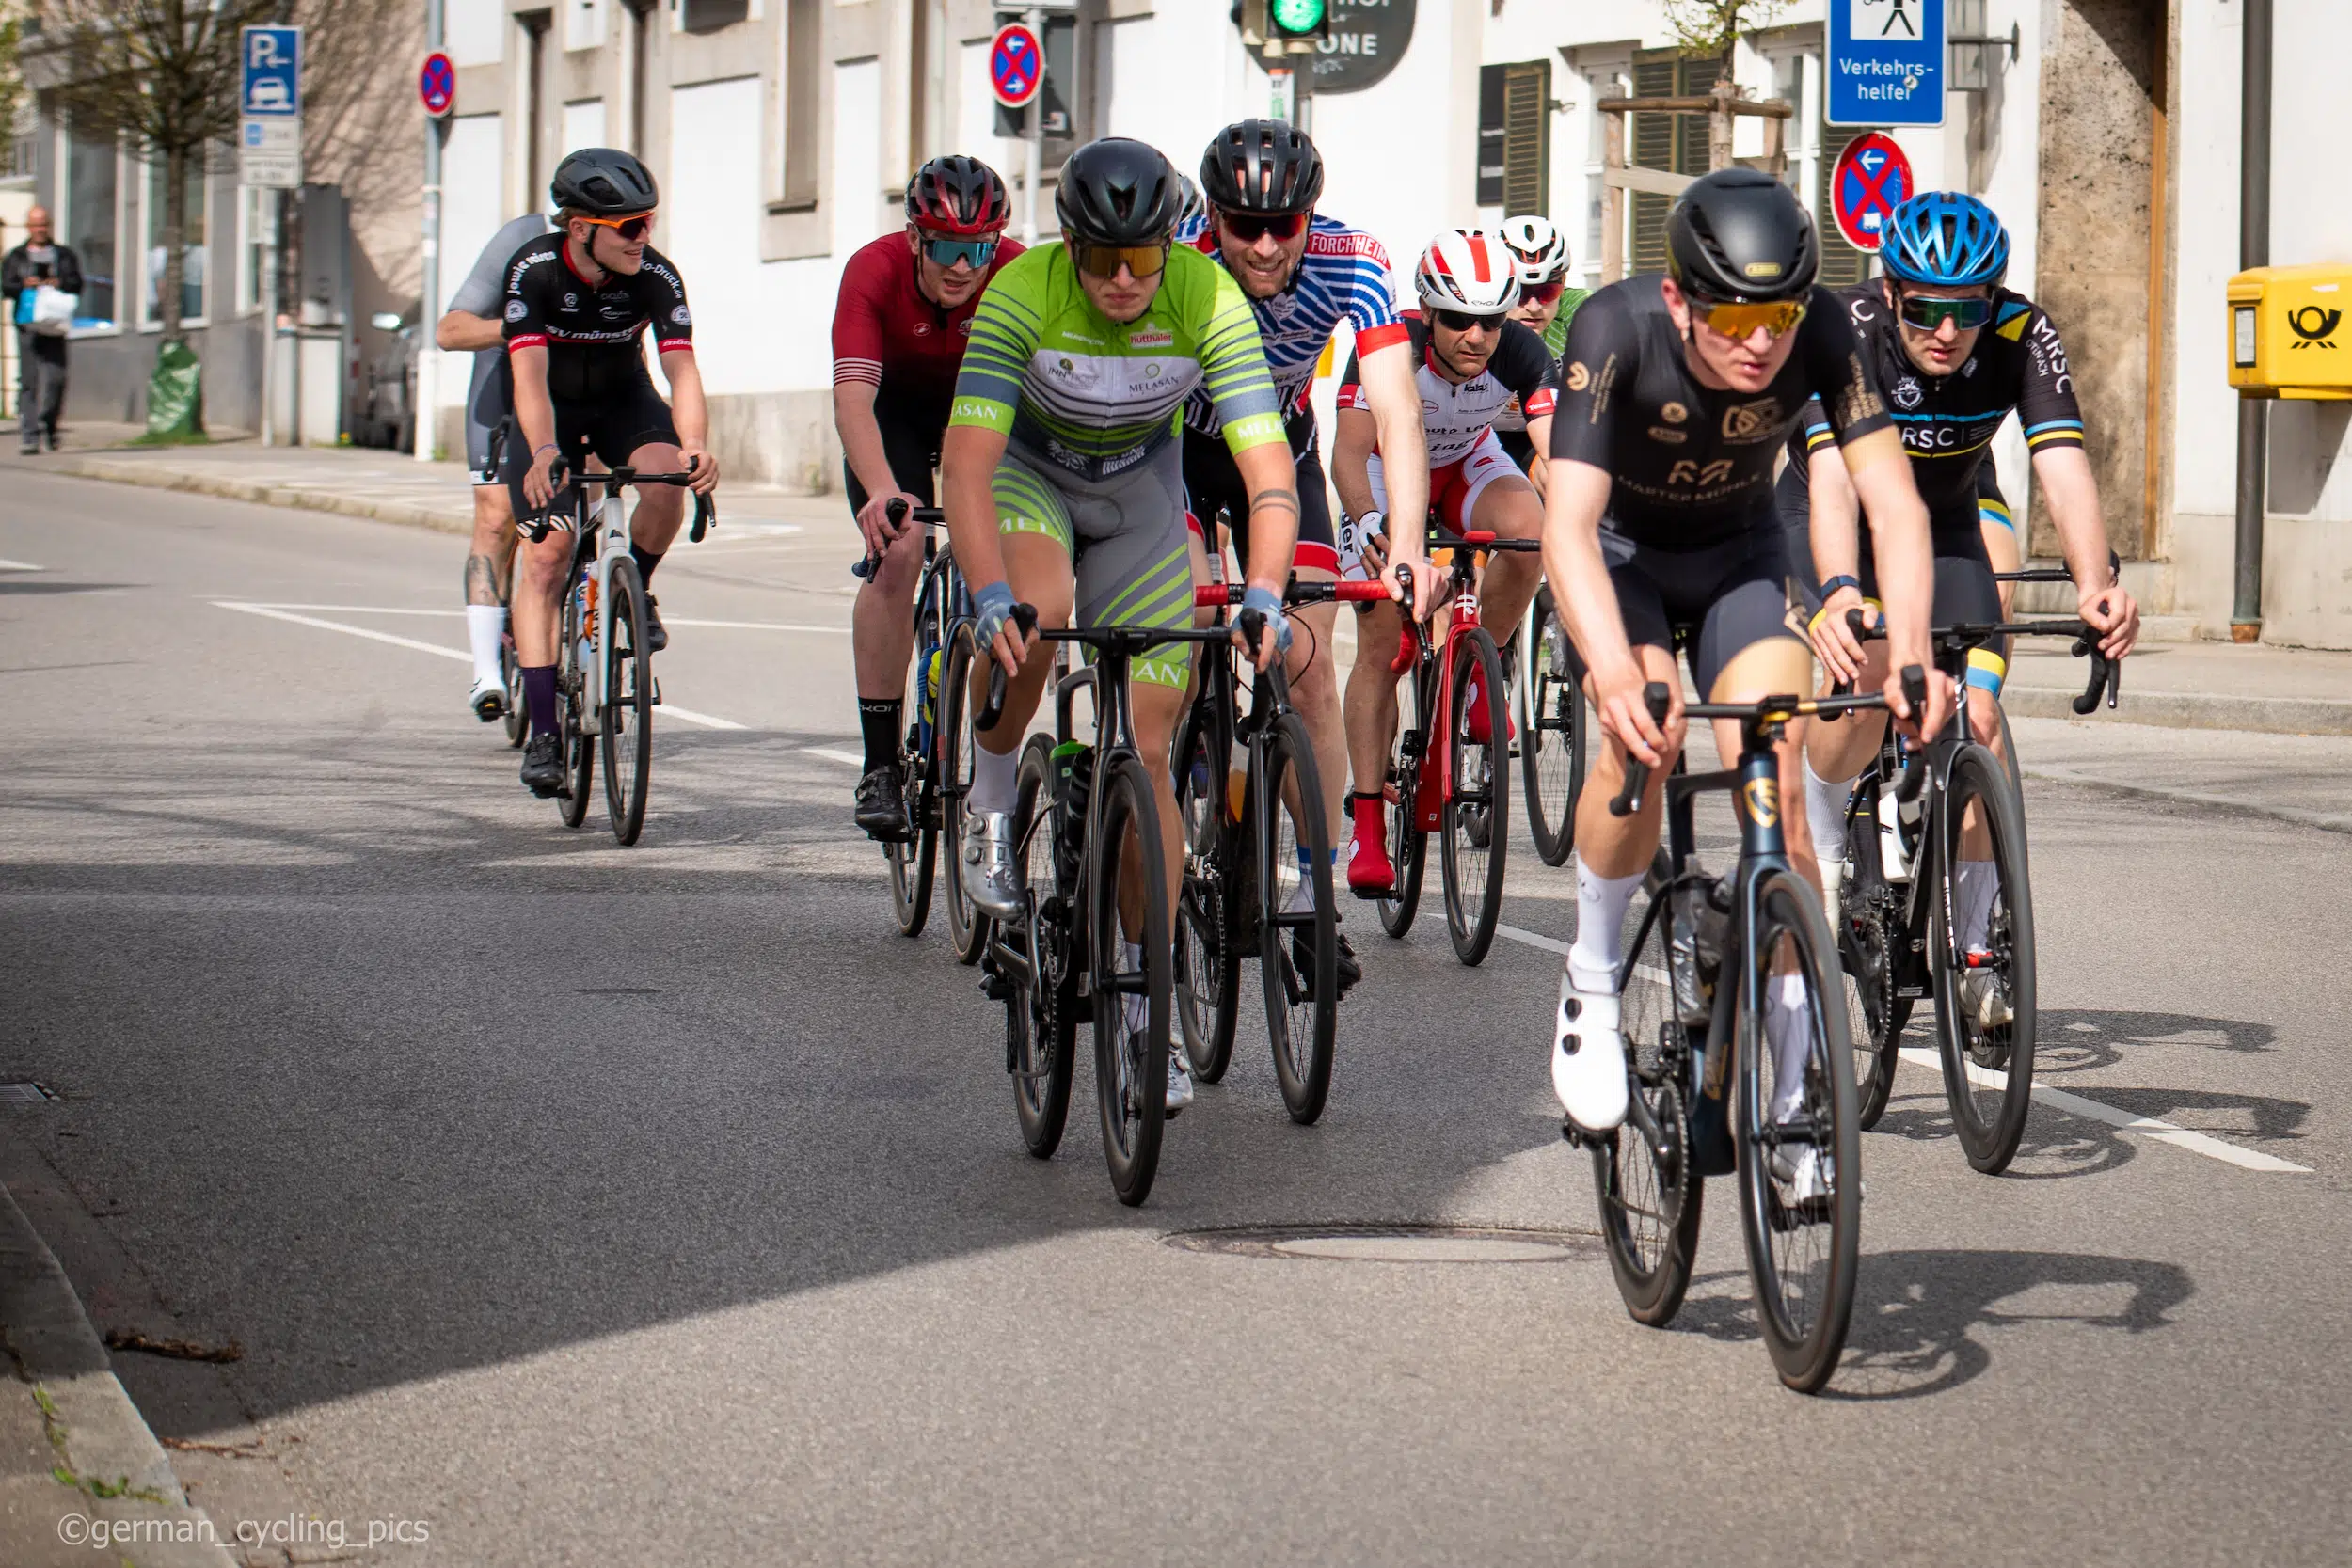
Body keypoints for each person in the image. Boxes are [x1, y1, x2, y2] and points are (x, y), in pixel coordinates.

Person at [1537, 169, 1952, 1178]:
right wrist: (1606, 668)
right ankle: (1591, 974)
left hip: (1740, 562)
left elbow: (1893, 505)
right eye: (1732, 316)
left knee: (1781, 806)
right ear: (1679, 299)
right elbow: (1570, 525)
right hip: (1626, 566)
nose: (1759, 342)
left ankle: (1800, 1086)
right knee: (1642, 737)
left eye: (1775, 314)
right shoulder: (1613, 328)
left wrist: (1908, 654)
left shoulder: (1818, 332)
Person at [944, 136, 1296, 1115]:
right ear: (1071, 246)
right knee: (1039, 611)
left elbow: (1269, 471)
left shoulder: (1204, 294)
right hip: (1032, 478)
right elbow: (966, 465)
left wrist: (1263, 590)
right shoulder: (1021, 292)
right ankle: (995, 790)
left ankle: (1147, 1004)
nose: (1127, 281)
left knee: (1146, 753)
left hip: (1141, 492)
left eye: (1145, 258)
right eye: (1105, 261)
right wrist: (982, 592)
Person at [1785, 191, 2138, 1015]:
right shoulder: (1842, 330)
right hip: (1828, 518)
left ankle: (1979, 953)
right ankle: (1827, 843)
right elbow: (1835, 484)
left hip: (1941, 519)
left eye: (1968, 308)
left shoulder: (2022, 332)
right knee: (1869, 664)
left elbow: (2061, 465)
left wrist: (2095, 584)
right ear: (1893, 292)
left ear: (1994, 297)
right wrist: (1837, 593)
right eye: (1928, 310)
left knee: (1977, 719)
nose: (1947, 330)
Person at [1177, 119, 1431, 989]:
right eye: (1239, 224)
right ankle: (1170, 803)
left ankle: (1315, 898)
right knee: (1174, 639)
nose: (1260, 243)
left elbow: (1395, 410)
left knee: (1313, 666)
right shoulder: (1179, 254)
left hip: (1278, 451)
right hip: (1175, 450)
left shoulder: (1354, 257)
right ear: (1210, 215)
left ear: (1308, 217)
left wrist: (1403, 544)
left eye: (1281, 224)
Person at [1331, 228, 1556, 895]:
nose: (1475, 336)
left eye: (1489, 321)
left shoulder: (1521, 350)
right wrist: (1371, 522)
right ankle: (1368, 821)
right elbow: (1348, 453)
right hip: (1377, 472)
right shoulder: (1389, 340)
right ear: (1427, 312)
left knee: (1531, 531)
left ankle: (1480, 672)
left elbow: (1558, 450)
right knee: (1380, 639)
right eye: (1457, 319)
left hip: (1462, 464)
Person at [503, 148, 720, 797]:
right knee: (547, 555)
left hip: (626, 397)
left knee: (665, 481)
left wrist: (696, 444)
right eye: (629, 226)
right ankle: (545, 732)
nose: (643, 237)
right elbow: (529, 378)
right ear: (579, 229)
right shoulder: (534, 272)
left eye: (648, 222)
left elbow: (681, 369)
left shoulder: (655, 274)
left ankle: (635, 588)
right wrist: (543, 452)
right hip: (553, 413)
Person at [833, 155, 1024, 842]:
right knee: (902, 546)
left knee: (1016, 552)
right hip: (897, 416)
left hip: (979, 412)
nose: (963, 267)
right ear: (914, 237)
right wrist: (882, 489)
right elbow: (854, 398)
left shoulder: (1015, 268)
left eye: (979, 248)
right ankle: (880, 763)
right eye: (945, 247)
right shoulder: (872, 271)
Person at [438, 209, 554, 721]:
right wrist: (512, 326)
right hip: (504, 389)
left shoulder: (624, 254)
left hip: (575, 394)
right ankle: (488, 671)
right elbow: (450, 329)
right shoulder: (521, 240)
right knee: (494, 516)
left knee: (586, 502)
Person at [1489, 214, 1589, 489]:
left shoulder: (1579, 309)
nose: (1533, 307)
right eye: (1521, 292)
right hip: (1475, 437)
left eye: (1547, 291)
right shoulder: (1480, 319)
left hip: (1538, 435)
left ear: (1564, 283)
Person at [3, 207, 84, 455]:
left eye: (44, 225)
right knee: (29, 381)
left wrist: (59, 282)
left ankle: (48, 425)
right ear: (29, 227)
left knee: (56, 379)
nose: (40, 230)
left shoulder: (64, 255)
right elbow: (5, 286)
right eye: (36, 225)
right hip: (28, 324)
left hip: (55, 324)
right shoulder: (16, 256)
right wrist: (23, 284)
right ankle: (29, 435)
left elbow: (77, 283)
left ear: (49, 226)